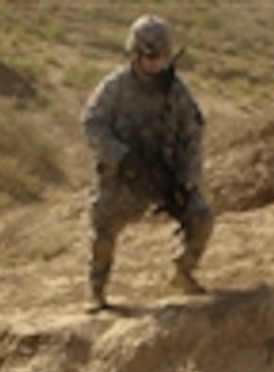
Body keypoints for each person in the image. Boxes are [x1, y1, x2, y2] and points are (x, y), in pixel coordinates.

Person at [81, 14, 214, 311]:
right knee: (103, 231)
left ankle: (183, 273)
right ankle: (97, 291)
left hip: (164, 176)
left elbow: (192, 134)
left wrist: (187, 178)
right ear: (134, 53)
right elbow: (92, 124)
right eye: (150, 56)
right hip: (124, 178)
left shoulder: (176, 91)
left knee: (202, 217)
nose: (156, 64)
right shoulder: (114, 87)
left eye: (162, 57)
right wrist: (121, 156)